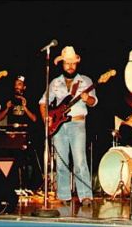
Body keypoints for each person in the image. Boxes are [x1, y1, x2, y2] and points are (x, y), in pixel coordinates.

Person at [39, 46, 97, 206]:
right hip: (58, 126)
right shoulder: (55, 82)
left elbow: (93, 101)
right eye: (67, 63)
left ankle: (85, 196)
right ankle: (64, 196)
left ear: (77, 64)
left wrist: (87, 99)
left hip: (77, 123)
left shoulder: (85, 81)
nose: (70, 66)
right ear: (62, 64)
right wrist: (47, 119)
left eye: (73, 63)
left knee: (79, 161)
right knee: (61, 162)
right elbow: (43, 102)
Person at [0, 75, 39, 191]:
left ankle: (26, 186)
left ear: (24, 87)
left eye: (19, 84)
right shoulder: (9, 99)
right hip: (11, 134)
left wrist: (25, 108)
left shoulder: (29, 99)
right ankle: (11, 187)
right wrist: (6, 108)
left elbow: (35, 119)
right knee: (10, 161)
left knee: (25, 161)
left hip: (24, 134)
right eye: (15, 84)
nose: (17, 87)